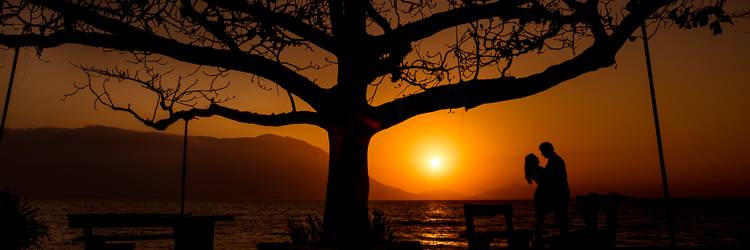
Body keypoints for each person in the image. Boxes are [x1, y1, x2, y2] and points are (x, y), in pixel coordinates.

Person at [524, 142, 570, 246]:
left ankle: (543, 239)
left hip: (552, 194)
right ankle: (561, 239)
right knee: (550, 218)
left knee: (546, 218)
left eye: (542, 152)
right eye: (539, 154)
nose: (541, 155)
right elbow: (548, 180)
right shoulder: (548, 164)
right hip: (547, 195)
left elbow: (552, 179)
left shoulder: (554, 161)